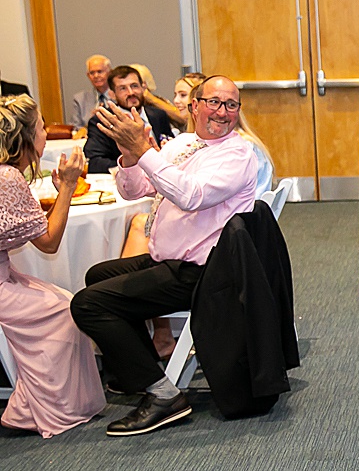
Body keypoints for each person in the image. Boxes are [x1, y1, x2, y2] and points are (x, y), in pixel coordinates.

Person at [70, 76, 258, 435]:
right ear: (195, 106)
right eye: (214, 102)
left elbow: (190, 195)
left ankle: (162, 394)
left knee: (87, 304)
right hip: (168, 260)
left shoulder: (237, 155)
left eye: (231, 104)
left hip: (205, 273)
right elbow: (135, 190)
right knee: (97, 275)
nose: (222, 112)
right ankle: (142, 369)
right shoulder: (183, 144)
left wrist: (144, 151)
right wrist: (130, 155)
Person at [0, 95, 106, 437]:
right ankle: (42, 409)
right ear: (27, 137)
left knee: (61, 299)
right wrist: (69, 186)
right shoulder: (7, 177)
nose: (46, 133)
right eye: (42, 126)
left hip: (4, 275)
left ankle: (27, 405)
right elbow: (48, 242)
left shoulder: (7, 175)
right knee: (65, 311)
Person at [83, 65, 176, 173]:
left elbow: (172, 151)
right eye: (123, 88)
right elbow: (95, 163)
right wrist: (135, 167)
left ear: (143, 88)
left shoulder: (158, 115)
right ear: (112, 94)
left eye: (134, 86)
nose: (131, 92)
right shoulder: (103, 121)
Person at [130, 64, 189, 132]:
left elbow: (183, 118)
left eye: (135, 85)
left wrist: (151, 99)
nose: (131, 92)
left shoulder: (159, 102)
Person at [69, 55, 113, 129]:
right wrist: (91, 122)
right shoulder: (80, 99)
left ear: (110, 73)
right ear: (88, 76)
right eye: (92, 73)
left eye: (100, 72)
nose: (96, 76)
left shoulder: (119, 96)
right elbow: (75, 127)